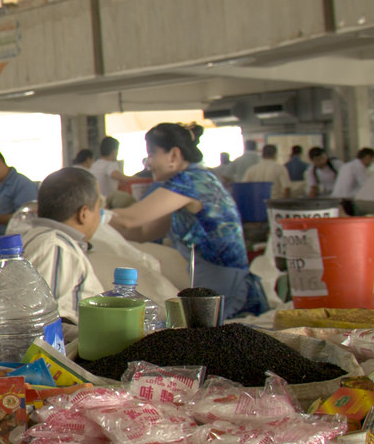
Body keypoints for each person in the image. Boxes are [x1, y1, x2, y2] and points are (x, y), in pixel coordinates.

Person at [105, 121, 266, 317]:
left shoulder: (191, 181)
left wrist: (92, 213)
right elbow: (143, 232)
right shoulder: (193, 180)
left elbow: (131, 219)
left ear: (173, 155)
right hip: (209, 283)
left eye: (152, 154)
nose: (148, 163)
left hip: (225, 287)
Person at [6, 168, 103, 321]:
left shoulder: (34, 238)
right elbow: (42, 327)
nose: (99, 215)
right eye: (98, 208)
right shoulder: (56, 247)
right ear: (83, 213)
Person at [88, 136, 124, 200]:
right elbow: (120, 177)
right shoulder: (109, 165)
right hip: (107, 201)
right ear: (114, 151)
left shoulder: (95, 165)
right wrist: (139, 178)